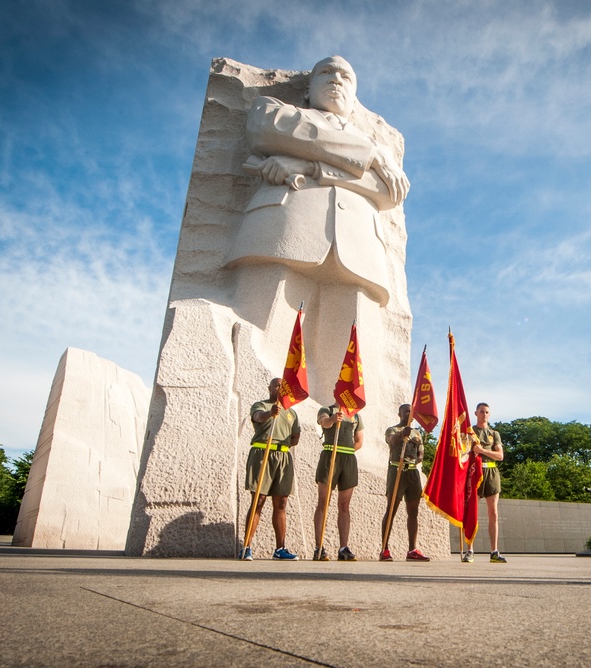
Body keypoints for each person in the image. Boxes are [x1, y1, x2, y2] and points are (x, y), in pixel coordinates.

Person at [227, 55, 411, 402]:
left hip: (358, 249)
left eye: (346, 76)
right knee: (260, 341)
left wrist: (308, 166)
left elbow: (390, 192)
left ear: (354, 98)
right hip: (284, 230)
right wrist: (370, 155)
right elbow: (268, 128)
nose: (336, 79)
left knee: (347, 376)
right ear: (308, 91)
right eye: (326, 72)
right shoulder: (277, 110)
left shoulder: (380, 153)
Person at [241, 378, 302, 561]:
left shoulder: (291, 412)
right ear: (269, 388)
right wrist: (270, 414)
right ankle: (246, 547)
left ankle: (280, 548)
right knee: (258, 499)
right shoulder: (261, 405)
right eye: (276, 385)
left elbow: (295, 437)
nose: (280, 388)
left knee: (281, 502)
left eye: (283, 386)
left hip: (282, 457)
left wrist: (284, 445)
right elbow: (257, 417)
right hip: (262, 454)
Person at [379, 404, 429, 562]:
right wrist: (402, 435)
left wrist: (417, 457)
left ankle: (412, 549)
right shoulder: (392, 430)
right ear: (399, 413)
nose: (408, 414)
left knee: (413, 511)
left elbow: (421, 453)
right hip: (397, 471)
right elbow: (390, 441)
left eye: (411, 411)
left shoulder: (417, 434)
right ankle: (384, 549)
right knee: (391, 509)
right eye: (406, 411)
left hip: (412, 472)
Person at [314, 403, 363, 561]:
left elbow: (359, 441)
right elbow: (323, 422)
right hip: (330, 455)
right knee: (323, 501)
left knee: (344, 505)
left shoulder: (356, 415)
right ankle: (319, 547)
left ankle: (343, 548)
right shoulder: (327, 410)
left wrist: (346, 450)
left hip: (347, 459)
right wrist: (333, 419)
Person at [469, 404, 507, 564]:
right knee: (472, 512)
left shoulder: (494, 434)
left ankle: (494, 551)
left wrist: (483, 451)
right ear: (476, 413)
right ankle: (469, 550)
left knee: (494, 513)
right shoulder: (470, 431)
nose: (484, 414)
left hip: (491, 473)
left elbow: (500, 456)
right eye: (481, 412)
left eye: (487, 412)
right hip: (475, 472)